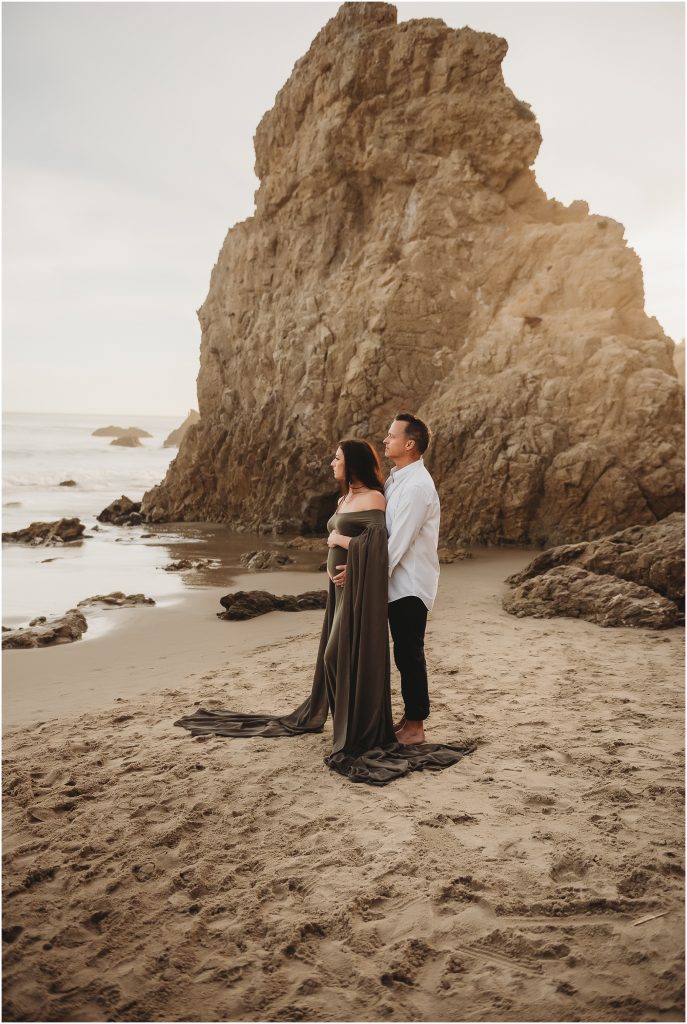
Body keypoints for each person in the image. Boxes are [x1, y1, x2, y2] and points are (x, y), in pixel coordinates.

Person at [174, 438, 473, 786]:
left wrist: (343, 546)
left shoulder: (377, 497)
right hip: (341, 589)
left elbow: (380, 544)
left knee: (341, 655)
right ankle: (354, 724)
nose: (332, 463)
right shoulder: (347, 497)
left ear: (353, 463)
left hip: (363, 588)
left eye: (337, 458)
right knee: (341, 654)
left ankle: (364, 728)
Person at [333, 413, 439, 746]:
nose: (385, 440)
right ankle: (408, 718)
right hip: (393, 582)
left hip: (410, 584)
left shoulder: (417, 487)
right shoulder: (395, 481)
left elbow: (397, 544)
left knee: (409, 653)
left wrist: (361, 571)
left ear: (410, 444)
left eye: (392, 436)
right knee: (401, 655)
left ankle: (416, 727)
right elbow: (379, 536)